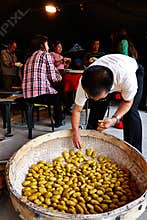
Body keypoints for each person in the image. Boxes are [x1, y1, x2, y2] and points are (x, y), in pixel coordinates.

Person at [71, 54, 144, 153]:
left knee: (131, 113)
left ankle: (134, 152)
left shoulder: (127, 79)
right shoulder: (85, 81)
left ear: (109, 91)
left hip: (133, 69)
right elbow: (77, 110)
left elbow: (127, 101)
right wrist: (75, 132)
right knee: (97, 106)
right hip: (106, 74)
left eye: (97, 97)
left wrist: (114, 119)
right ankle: (90, 141)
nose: (92, 99)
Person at [22, 35, 63, 127]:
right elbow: (53, 77)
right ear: (42, 45)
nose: (48, 46)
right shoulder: (45, 55)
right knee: (57, 96)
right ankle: (58, 122)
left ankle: (31, 121)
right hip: (41, 96)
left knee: (53, 92)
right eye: (47, 43)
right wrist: (59, 77)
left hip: (27, 96)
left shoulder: (29, 58)